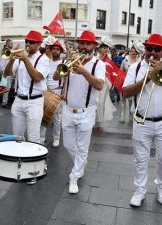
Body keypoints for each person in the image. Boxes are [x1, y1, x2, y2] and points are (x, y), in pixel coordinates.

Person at [54, 30, 105, 194]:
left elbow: (99, 85)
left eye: (88, 44)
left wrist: (83, 71)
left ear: (94, 46)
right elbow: (56, 77)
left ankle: (74, 176)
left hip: (86, 111)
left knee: (82, 148)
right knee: (68, 144)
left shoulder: (99, 64)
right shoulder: (68, 61)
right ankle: (81, 163)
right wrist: (67, 64)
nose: (84, 46)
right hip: (68, 110)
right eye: (81, 43)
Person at [123, 33, 162, 207]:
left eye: (157, 49)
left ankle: (161, 187)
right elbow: (125, 92)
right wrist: (147, 78)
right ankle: (140, 190)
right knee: (140, 159)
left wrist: (161, 72)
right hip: (141, 122)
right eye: (150, 48)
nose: (153, 52)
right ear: (145, 49)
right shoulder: (134, 68)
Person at [4, 30, 50, 143]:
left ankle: (35, 160)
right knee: (17, 138)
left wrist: (25, 59)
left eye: (32, 42)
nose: (28, 44)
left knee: (33, 139)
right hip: (18, 100)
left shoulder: (43, 59)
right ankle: (19, 159)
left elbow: (37, 77)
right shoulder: (19, 58)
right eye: (27, 41)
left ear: (39, 44)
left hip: (34, 102)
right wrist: (11, 60)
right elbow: (6, 74)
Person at [40, 40, 65, 147]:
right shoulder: (47, 62)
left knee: (57, 118)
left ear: (60, 51)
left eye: (57, 49)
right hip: (46, 91)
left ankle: (56, 138)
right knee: (43, 116)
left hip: (58, 92)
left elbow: (67, 79)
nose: (55, 50)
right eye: (53, 48)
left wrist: (64, 92)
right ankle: (41, 138)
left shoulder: (64, 63)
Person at [95, 36, 116, 130]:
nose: (105, 49)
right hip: (94, 82)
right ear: (99, 48)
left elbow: (111, 72)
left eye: (106, 47)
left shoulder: (108, 60)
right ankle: (95, 122)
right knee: (95, 102)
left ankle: (100, 123)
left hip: (105, 83)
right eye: (103, 47)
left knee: (101, 102)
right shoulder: (95, 58)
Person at [119, 42, 143, 123]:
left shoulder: (140, 62)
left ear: (137, 53)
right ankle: (122, 117)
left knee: (133, 101)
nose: (133, 52)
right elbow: (120, 71)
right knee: (123, 101)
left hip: (135, 84)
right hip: (124, 82)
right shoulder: (125, 60)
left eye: (135, 51)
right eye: (132, 51)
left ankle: (131, 116)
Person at [0, 39, 17, 108]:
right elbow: (3, 63)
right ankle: (4, 103)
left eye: (12, 43)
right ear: (7, 44)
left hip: (8, 73)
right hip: (6, 73)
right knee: (6, 88)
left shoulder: (8, 51)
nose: (12, 44)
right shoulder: (5, 51)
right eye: (10, 43)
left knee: (7, 88)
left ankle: (5, 102)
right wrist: (4, 72)